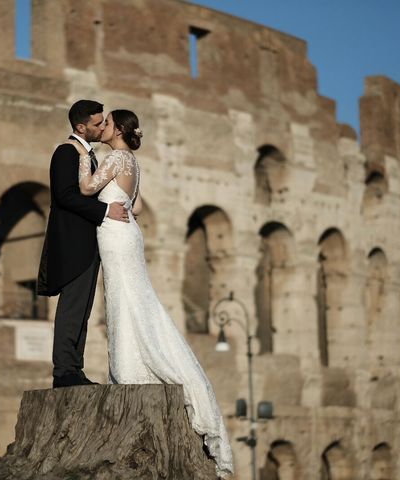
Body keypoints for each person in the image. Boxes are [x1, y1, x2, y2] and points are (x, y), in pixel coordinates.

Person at [72, 109, 234, 478]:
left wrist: (84, 160)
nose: (103, 127)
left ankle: (129, 370)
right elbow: (139, 205)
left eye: (107, 123)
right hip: (128, 231)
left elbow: (85, 188)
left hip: (114, 235)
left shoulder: (113, 156)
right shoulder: (133, 161)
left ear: (118, 130)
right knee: (135, 296)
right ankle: (136, 366)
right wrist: (120, 203)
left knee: (122, 298)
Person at [37, 100, 129, 389]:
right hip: (73, 243)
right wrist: (105, 212)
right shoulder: (66, 152)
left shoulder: (86, 155)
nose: (102, 127)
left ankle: (74, 369)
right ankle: (64, 372)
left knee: (83, 310)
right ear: (81, 127)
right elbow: (65, 195)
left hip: (87, 243)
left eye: (104, 122)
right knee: (72, 308)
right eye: (97, 123)